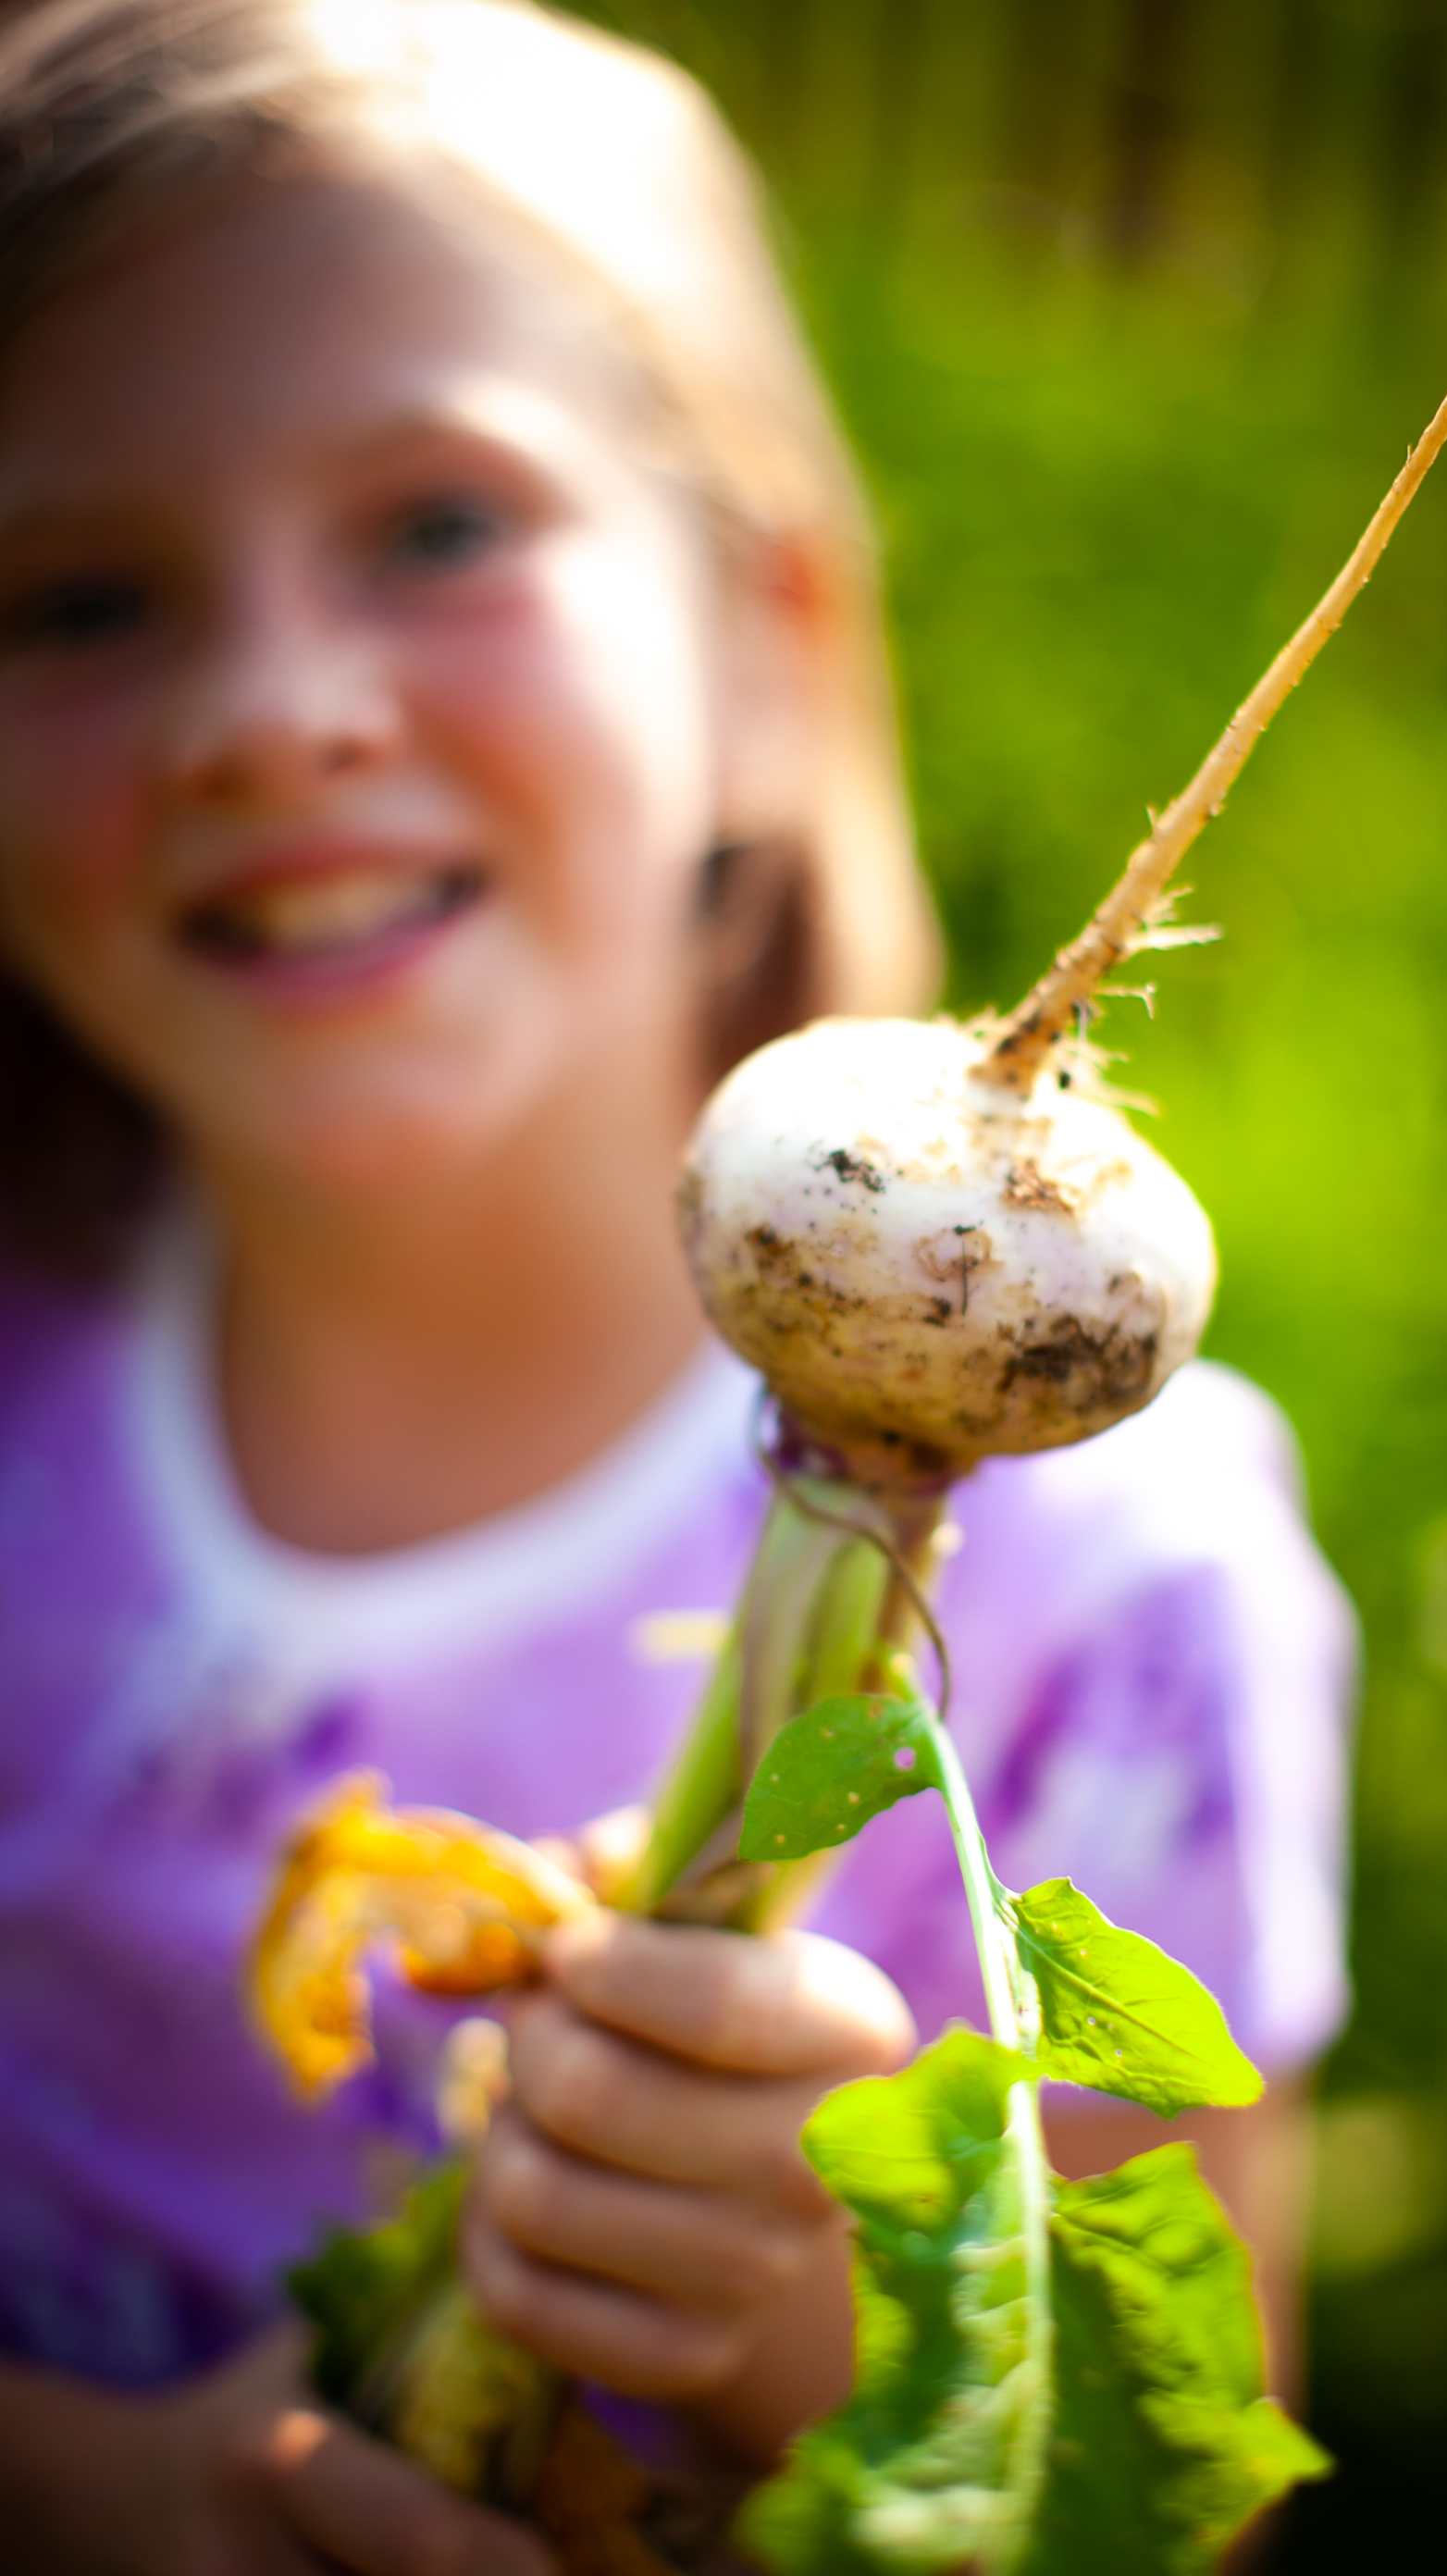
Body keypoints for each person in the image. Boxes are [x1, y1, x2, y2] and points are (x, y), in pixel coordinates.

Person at [0, 2, 1355, 2568]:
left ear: (763, 642)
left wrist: (837, 2372)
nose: (274, 714)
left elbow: (1178, 2504)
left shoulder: (1120, 1579)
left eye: (435, 527)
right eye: (79, 593)